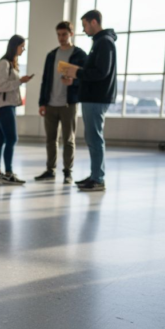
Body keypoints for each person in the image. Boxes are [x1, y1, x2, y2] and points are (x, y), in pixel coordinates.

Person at [63, 10, 117, 192]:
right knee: (92, 138)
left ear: (94, 22)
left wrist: (77, 72)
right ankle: (95, 175)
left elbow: (101, 72)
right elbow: (95, 71)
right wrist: (76, 76)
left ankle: (98, 179)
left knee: (94, 138)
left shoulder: (104, 43)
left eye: (85, 25)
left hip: (96, 97)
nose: (84, 29)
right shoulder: (99, 43)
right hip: (92, 97)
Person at [35, 21, 88, 184]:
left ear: (71, 34)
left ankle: (67, 172)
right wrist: (42, 102)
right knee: (50, 140)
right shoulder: (51, 55)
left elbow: (86, 78)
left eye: (64, 34)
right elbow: (45, 80)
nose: (61, 38)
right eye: (58, 34)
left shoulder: (79, 54)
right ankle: (50, 170)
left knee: (68, 140)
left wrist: (74, 82)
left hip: (69, 104)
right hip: (50, 104)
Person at [0, 35, 33, 185]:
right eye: (22, 46)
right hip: (4, 106)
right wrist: (20, 81)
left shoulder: (11, 64)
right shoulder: (4, 63)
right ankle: (8, 173)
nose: (23, 49)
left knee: (1, 140)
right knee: (12, 138)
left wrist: (20, 81)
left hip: (8, 105)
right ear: (15, 46)